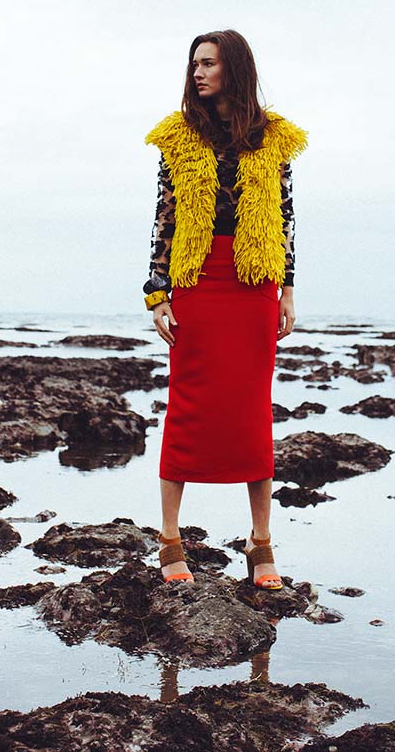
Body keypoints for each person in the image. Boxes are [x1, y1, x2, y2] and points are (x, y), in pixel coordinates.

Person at [143, 30, 308, 589]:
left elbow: (285, 218)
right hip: (197, 279)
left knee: (252, 411)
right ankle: (170, 538)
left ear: (234, 68)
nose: (198, 72)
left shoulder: (273, 139)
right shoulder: (178, 138)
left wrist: (287, 289)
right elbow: (163, 219)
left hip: (253, 281)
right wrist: (157, 291)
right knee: (186, 406)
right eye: (194, 64)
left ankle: (260, 542)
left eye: (209, 63)